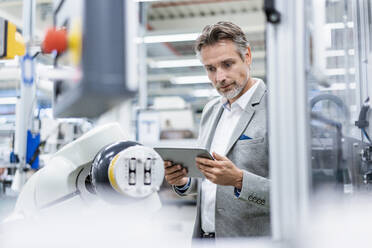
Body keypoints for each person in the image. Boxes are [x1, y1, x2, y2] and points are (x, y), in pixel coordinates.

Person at [163, 21, 270, 240]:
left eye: (227, 64)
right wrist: (183, 182)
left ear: (247, 56)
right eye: (210, 69)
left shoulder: (279, 109)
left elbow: (295, 196)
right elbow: (206, 181)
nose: (219, 77)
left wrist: (240, 180)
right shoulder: (212, 110)